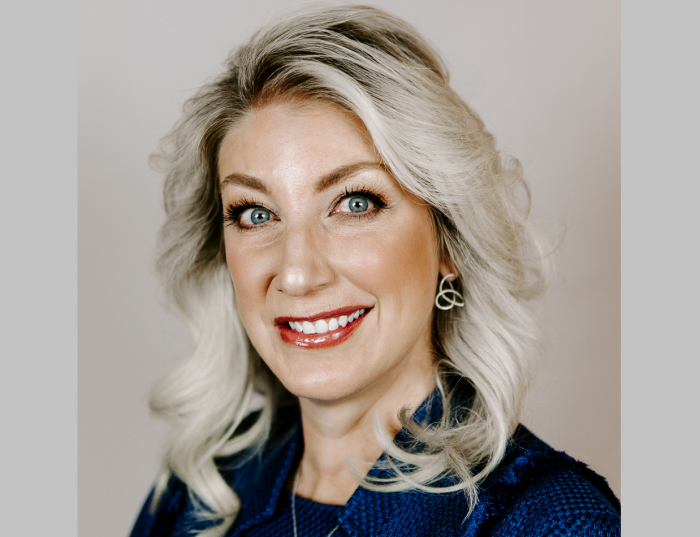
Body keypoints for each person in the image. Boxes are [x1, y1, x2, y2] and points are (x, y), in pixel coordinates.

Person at [130, 5, 620, 536]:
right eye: (255, 213)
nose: (296, 274)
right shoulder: (202, 487)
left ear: (448, 243)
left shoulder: (551, 521)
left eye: (355, 203)